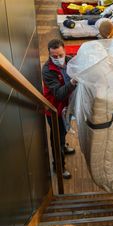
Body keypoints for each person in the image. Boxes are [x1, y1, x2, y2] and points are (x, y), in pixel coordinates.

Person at [42, 39, 77, 179]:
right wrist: (73, 82)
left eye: (60, 55)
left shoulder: (70, 61)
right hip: (54, 109)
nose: (58, 59)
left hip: (66, 107)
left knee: (64, 129)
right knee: (57, 140)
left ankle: (65, 145)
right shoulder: (47, 70)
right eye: (54, 57)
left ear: (65, 51)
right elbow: (59, 94)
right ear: (49, 55)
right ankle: (58, 167)